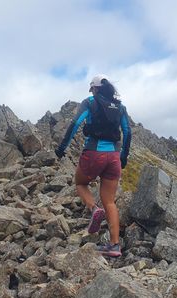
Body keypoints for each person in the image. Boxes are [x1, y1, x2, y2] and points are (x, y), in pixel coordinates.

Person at [55, 75, 132, 257]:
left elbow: (75, 124)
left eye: (92, 89)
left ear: (95, 89)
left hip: (94, 153)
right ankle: (114, 246)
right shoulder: (120, 107)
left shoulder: (90, 102)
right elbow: (127, 132)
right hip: (114, 156)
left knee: (81, 183)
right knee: (110, 201)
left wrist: (61, 148)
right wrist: (124, 157)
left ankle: (93, 209)